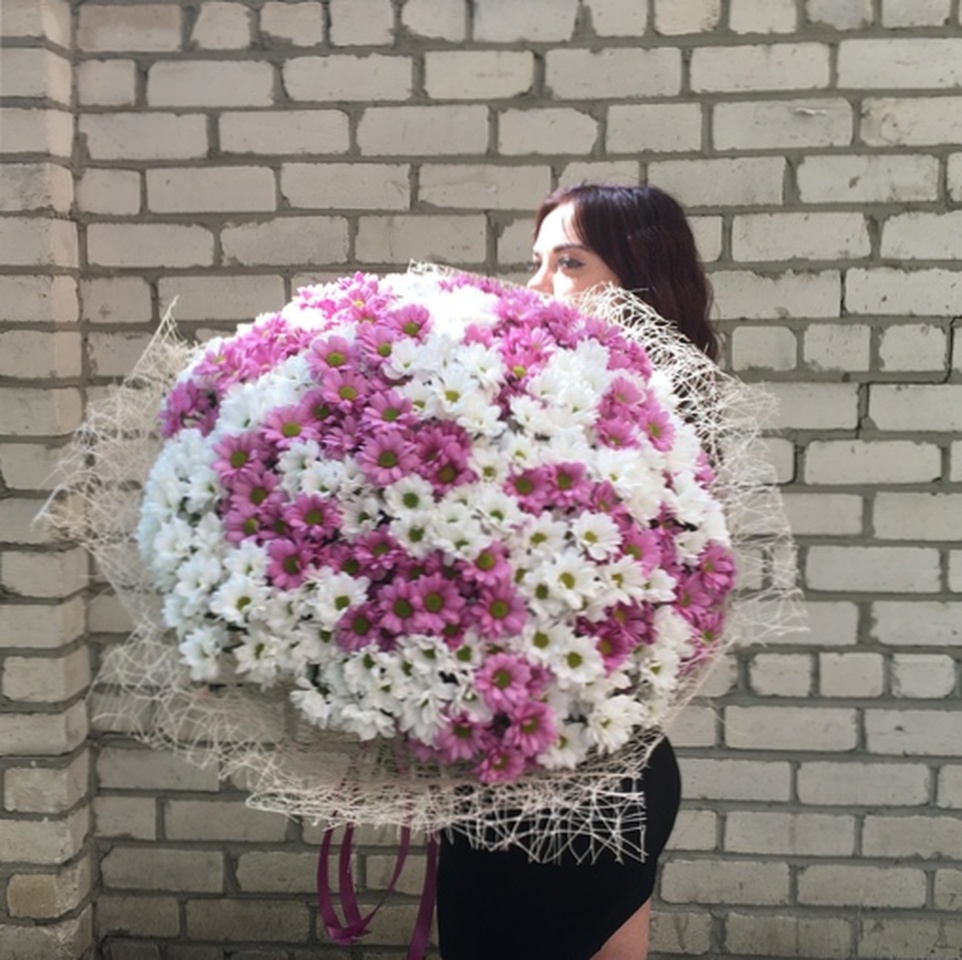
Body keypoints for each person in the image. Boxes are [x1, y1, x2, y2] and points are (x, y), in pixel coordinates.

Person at [435, 183, 718, 960]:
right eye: (537, 261)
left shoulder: (646, 430)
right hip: (524, 774)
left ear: (638, 279)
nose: (537, 285)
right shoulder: (539, 404)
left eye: (569, 263)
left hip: (580, 783)